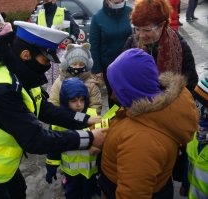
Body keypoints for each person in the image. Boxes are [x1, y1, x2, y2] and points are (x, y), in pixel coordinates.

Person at [0, 21, 107, 199]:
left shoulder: (22, 73)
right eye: (45, 60)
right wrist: (90, 138)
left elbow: (45, 109)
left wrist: (84, 119)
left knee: (19, 190)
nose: (48, 65)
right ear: (26, 54)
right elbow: (36, 139)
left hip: (1, 167)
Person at [98, 48, 198, 199]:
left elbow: (133, 193)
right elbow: (121, 121)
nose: (113, 94)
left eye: (117, 87)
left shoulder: (142, 140)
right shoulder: (150, 108)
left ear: (129, 88)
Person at [123, 0, 198, 92]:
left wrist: (173, 102)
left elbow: (191, 80)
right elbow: (123, 77)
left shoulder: (179, 44)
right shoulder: (131, 43)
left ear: (162, 25)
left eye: (147, 30)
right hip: (139, 103)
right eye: (137, 29)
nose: (141, 35)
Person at [46, 77, 100, 199]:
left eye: (82, 99)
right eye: (73, 100)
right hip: (71, 172)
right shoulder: (58, 121)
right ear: (65, 100)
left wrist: (102, 165)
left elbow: (102, 141)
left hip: (90, 170)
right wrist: (51, 166)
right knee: (72, 194)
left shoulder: (93, 116)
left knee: (89, 193)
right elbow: (53, 146)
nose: (79, 105)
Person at [90, 0, 132, 108]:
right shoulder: (97, 17)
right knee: (115, 98)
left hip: (131, 65)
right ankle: (116, 123)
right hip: (110, 68)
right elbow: (94, 46)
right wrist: (97, 69)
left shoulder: (131, 12)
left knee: (133, 97)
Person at [37, 0, 80, 93]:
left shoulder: (63, 12)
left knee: (62, 80)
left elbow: (75, 29)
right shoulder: (40, 15)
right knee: (48, 82)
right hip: (45, 54)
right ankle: (51, 102)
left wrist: (71, 39)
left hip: (60, 54)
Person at [49, 43, 102, 114]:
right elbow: (54, 103)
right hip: (62, 120)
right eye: (74, 64)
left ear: (87, 65)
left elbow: (95, 105)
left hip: (86, 121)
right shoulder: (59, 82)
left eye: (81, 64)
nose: (78, 67)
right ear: (66, 64)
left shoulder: (91, 83)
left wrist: (84, 119)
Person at [180, 72, 208, 198]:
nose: (197, 111)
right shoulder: (194, 134)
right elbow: (189, 163)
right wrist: (185, 185)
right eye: (196, 104)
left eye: (203, 109)